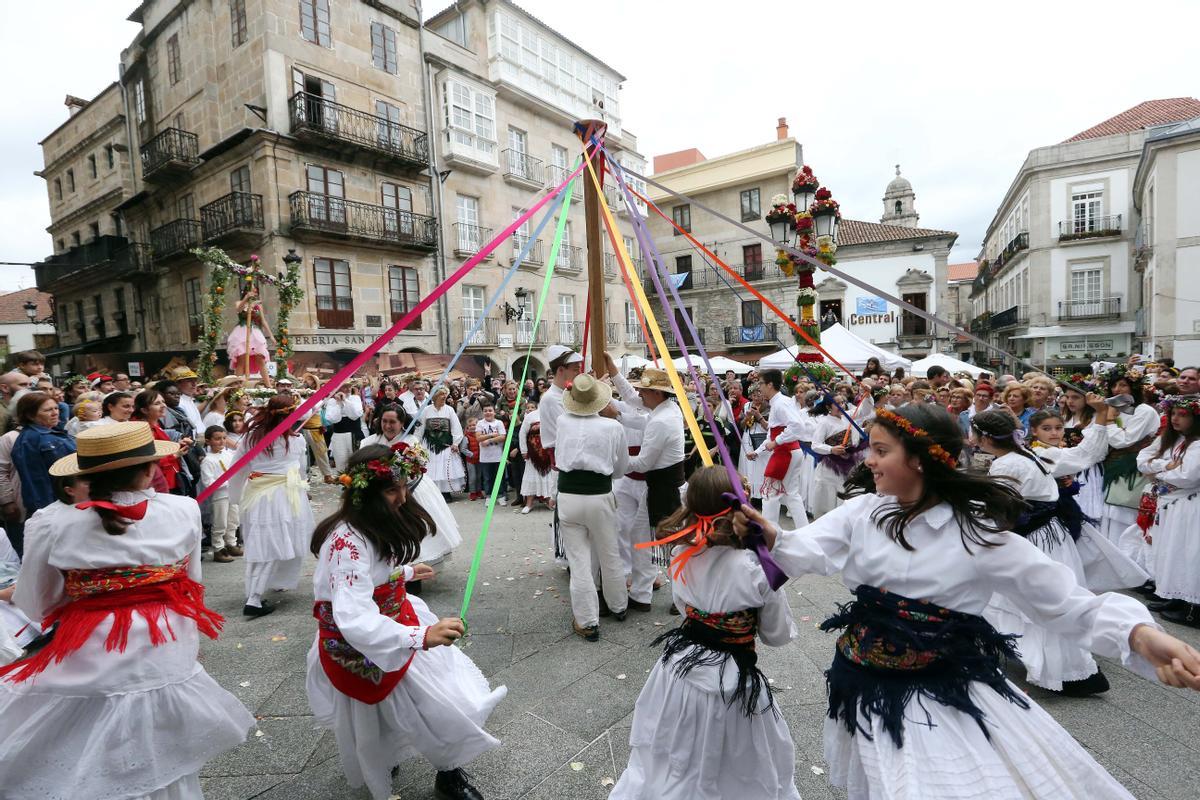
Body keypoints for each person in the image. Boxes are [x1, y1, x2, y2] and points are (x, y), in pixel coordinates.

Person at [732, 403, 1200, 799]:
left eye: (880, 450)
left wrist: (1140, 635)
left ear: (919, 459)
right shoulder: (862, 511)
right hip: (860, 686)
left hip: (939, 697)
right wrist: (770, 533)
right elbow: (807, 550)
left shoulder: (976, 535)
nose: (868, 461)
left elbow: (1067, 604)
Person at [0, 422, 254, 798]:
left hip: (93, 641)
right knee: (161, 740)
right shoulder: (182, 510)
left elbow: (38, 603)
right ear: (150, 468)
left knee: (86, 733)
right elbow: (190, 582)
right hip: (166, 637)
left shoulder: (52, 521)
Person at [307, 444, 505, 800]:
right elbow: (352, 614)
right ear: (365, 493)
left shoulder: (369, 524)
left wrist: (405, 571)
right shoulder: (345, 543)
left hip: (396, 623)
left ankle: (448, 770)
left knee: (437, 703)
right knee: (416, 709)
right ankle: (409, 760)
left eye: (403, 486)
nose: (401, 497)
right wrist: (421, 635)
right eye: (391, 490)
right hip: (366, 643)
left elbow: (372, 573)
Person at [610, 466, 799, 800]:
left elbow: (685, 609)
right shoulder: (758, 572)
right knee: (736, 760)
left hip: (678, 671)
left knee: (673, 747)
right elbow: (776, 634)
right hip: (731, 678)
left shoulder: (681, 555)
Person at [974, 408, 1117, 695]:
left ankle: (1068, 672)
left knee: (1039, 600)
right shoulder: (1026, 455)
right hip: (1048, 537)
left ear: (984, 438)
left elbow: (998, 513)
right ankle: (1003, 646)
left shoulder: (1009, 465)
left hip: (1037, 541)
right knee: (1014, 597)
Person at [554, 374, 629, 640]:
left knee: (579, 559)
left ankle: (587, 621)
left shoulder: (563, 422)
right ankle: (619, 605)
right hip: (599, 495)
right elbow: (621, 469)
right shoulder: (613, 427)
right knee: (609, 552)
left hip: (569, 495)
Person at [228, 395, 315, 617]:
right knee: (276, 542)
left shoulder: (250, 438)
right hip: (286, 497)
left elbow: (237, 469)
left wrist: (236, 498)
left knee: (268, 542)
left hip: (259, 496)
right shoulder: (296, 440)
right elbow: (300, 469)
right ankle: (254, 599)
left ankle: (275, 582)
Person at [359, 404, 462, 567]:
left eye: (392, 422)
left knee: (413, 531)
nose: (387, 426)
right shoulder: (368, 443)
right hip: (379, 497)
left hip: (410, 492)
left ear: (402, 423)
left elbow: (417, 470)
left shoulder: (412, 442)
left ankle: (413, 571)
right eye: (384, 421)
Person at [622, 367, 686, 611]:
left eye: (644, 391)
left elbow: (643, 463)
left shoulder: (661, 420)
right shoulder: (667, 410)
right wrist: (617, 417)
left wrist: (615, 461)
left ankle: (683, 597)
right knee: (642, 538)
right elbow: (638, 413)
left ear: (657, 394)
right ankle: (641, 594)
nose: (640, 394)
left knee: (671, 546)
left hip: (665, 491)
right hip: (660, 487)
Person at [1134, 395, 1200, 626]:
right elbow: (1142, 460)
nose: (1175, 419)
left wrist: (1156, 473)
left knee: (1187, 553)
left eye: (1183, 415)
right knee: (1170, 553)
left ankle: (1192, 607)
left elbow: (1187, 476)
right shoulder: (1171, 439)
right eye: (1173, 414)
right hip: (1170, 504)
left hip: (1189, 505)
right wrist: (1164, 465)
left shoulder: (1198, 443)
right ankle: (1175, 596)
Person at [1099, 366, 1162, 544]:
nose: (1117, 390)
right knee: (1109, 513)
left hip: (1133, 469)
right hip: (1111, 466)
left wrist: (1109, 420)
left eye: (1123, 385)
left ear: (1133, 388)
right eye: (1114, 386)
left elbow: (1123, 441)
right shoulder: (1112, 407)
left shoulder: (1144, 410)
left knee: (1126, 515)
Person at [11, 392, 76, 519]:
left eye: (56, 408)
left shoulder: (56, 432)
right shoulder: (29, 440)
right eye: (48, 410)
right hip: (55, 507)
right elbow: (35, 481)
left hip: (71, 500)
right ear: (30, 415)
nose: (55, 413)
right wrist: (46, 514)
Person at [758, 369, 809, 527]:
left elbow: (797, 425)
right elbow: (773, 431)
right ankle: (805, 530)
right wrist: (760, 450)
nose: (759, 387)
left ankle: (770, 532)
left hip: (785, 452)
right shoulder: (780, 402)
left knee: (770, 494)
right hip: (790, 451)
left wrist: (777, 442)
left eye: (761, 383)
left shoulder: (780, 403)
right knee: (791, 495)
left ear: (770, 384)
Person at [808, 395, 864, 518]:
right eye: (837, 403)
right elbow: (815, 445)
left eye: (843, 402)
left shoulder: (848, 417)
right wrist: (831, 449)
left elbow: (864, 410)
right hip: (830, 467)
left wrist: (868, 394)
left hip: (849, 463)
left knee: (846, 491)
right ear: (828, 407)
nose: (841, 406)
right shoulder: (824, 422)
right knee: (829, 495)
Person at [132, 389, 186, 494]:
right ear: (144, 410)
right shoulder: (143, 430)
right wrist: (175, 455)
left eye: (163, 402)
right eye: (157, 403)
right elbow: (147, 459)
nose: (163, 406)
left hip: (169, 477)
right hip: (159, 482)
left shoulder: (155, 424)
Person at [200, 425, 241, 563]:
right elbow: (208, 482)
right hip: (220, 495)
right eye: (217, 439)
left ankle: (231, 543)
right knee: (220, 522)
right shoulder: (208, 460)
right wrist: (226, 482)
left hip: (232, 493)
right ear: (208, 441)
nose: (222, 441)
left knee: (233, 520)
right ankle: (218, 548)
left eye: (224, 438)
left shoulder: (228, 454)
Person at [226, 278, 277, 386]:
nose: (255, 293)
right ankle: (238, 387)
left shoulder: (258, 305)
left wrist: (271, 336)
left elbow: (263, 321)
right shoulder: (240, 302)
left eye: (255, 291)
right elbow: (238, 310)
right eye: (253, 291)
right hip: (242, 332)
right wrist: (246, 299)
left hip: (255, 332)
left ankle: (269, 386)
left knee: (261, 359)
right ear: (247, 291)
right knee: (242, 360)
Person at [420, 387, 465, 496]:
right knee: (431, 468)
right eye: (441, 394)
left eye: (445, 394)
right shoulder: (426, 410)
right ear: (435, 396)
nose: (444, 396)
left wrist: (456, 443)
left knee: (445, 468)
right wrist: (417, 444)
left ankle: (446, 493)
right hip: (430, 444)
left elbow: (456, 427)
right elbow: (420, 428)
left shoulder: (449, 410)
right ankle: (434, 493)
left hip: (445, 443)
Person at [516, 399, 555, 514]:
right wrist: (523, 450)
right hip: (533, 453)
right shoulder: (531, 416)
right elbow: (522, 433)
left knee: (548, 478)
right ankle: (529, 504)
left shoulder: (554, 414)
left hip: (549, 452)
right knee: (531, 476)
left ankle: (549, 501)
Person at [737, 387, 769, 509]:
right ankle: (749, 495)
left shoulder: (769, 406)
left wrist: (758, 415)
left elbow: (769, 428)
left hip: (762, 440)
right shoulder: (746, 406)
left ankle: (762, 496)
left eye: (759, 394)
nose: (756, 398)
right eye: (753, 395)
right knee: (748, 468)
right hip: (747, 439)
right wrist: (747, 417)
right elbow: (741, 425)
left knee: (761, 469)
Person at [324, 384, 365, 471]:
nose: (348, 389)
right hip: (339, 435)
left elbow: (355, 415)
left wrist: (345, 400)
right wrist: (338, 404)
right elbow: (332, 419)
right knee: (341, 463)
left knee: (356, 463)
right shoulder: (331, 401)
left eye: (349, 386)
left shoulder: (355, 398)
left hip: (354, 434)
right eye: (345, 387)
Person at [475, 403, 507, 506]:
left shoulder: (499, 423)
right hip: (485, 457)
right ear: (483, 413)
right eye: (485, 411)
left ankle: (501, 496)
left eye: (490, 410)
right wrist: (493, 434)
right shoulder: (480, 423)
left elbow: (502, 437)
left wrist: (488, 441)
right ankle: (489, 496)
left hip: (498, 456)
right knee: (487, 478)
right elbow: (478, 438)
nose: (488, 412)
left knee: (499, 477)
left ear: (494, 412)